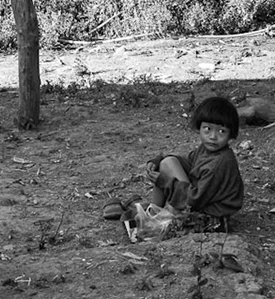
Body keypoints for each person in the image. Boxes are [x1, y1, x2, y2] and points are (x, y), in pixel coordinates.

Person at [104, 95, 245, 232]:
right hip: (196, 200)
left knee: (168, 216)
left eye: (221, 131)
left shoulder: (220, 163)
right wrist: (159, 161)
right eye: (207, 129)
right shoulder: (206, 150)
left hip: (213, 218)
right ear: (199, 128)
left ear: (230, 135)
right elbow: (186, 163)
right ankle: (154, 211)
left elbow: (196, 199)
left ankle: (161, 217)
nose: (213, 137)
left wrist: (165, 182)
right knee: (168, 163)